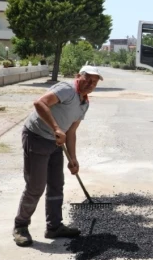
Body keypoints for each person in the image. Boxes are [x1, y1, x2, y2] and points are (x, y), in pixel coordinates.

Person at [12, 66, 102, 247]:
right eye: (87, 79)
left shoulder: (84, 103)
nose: (90, 84)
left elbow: (71, 131)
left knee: (56, 184)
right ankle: (20, 226)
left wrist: (73, 158)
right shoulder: (66, 89)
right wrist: (56, 128)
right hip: (37, 136)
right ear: (78, 76)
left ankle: (54, 226)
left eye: (94, 82)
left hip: (56, 142)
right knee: (36, 186)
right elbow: (40, 103)